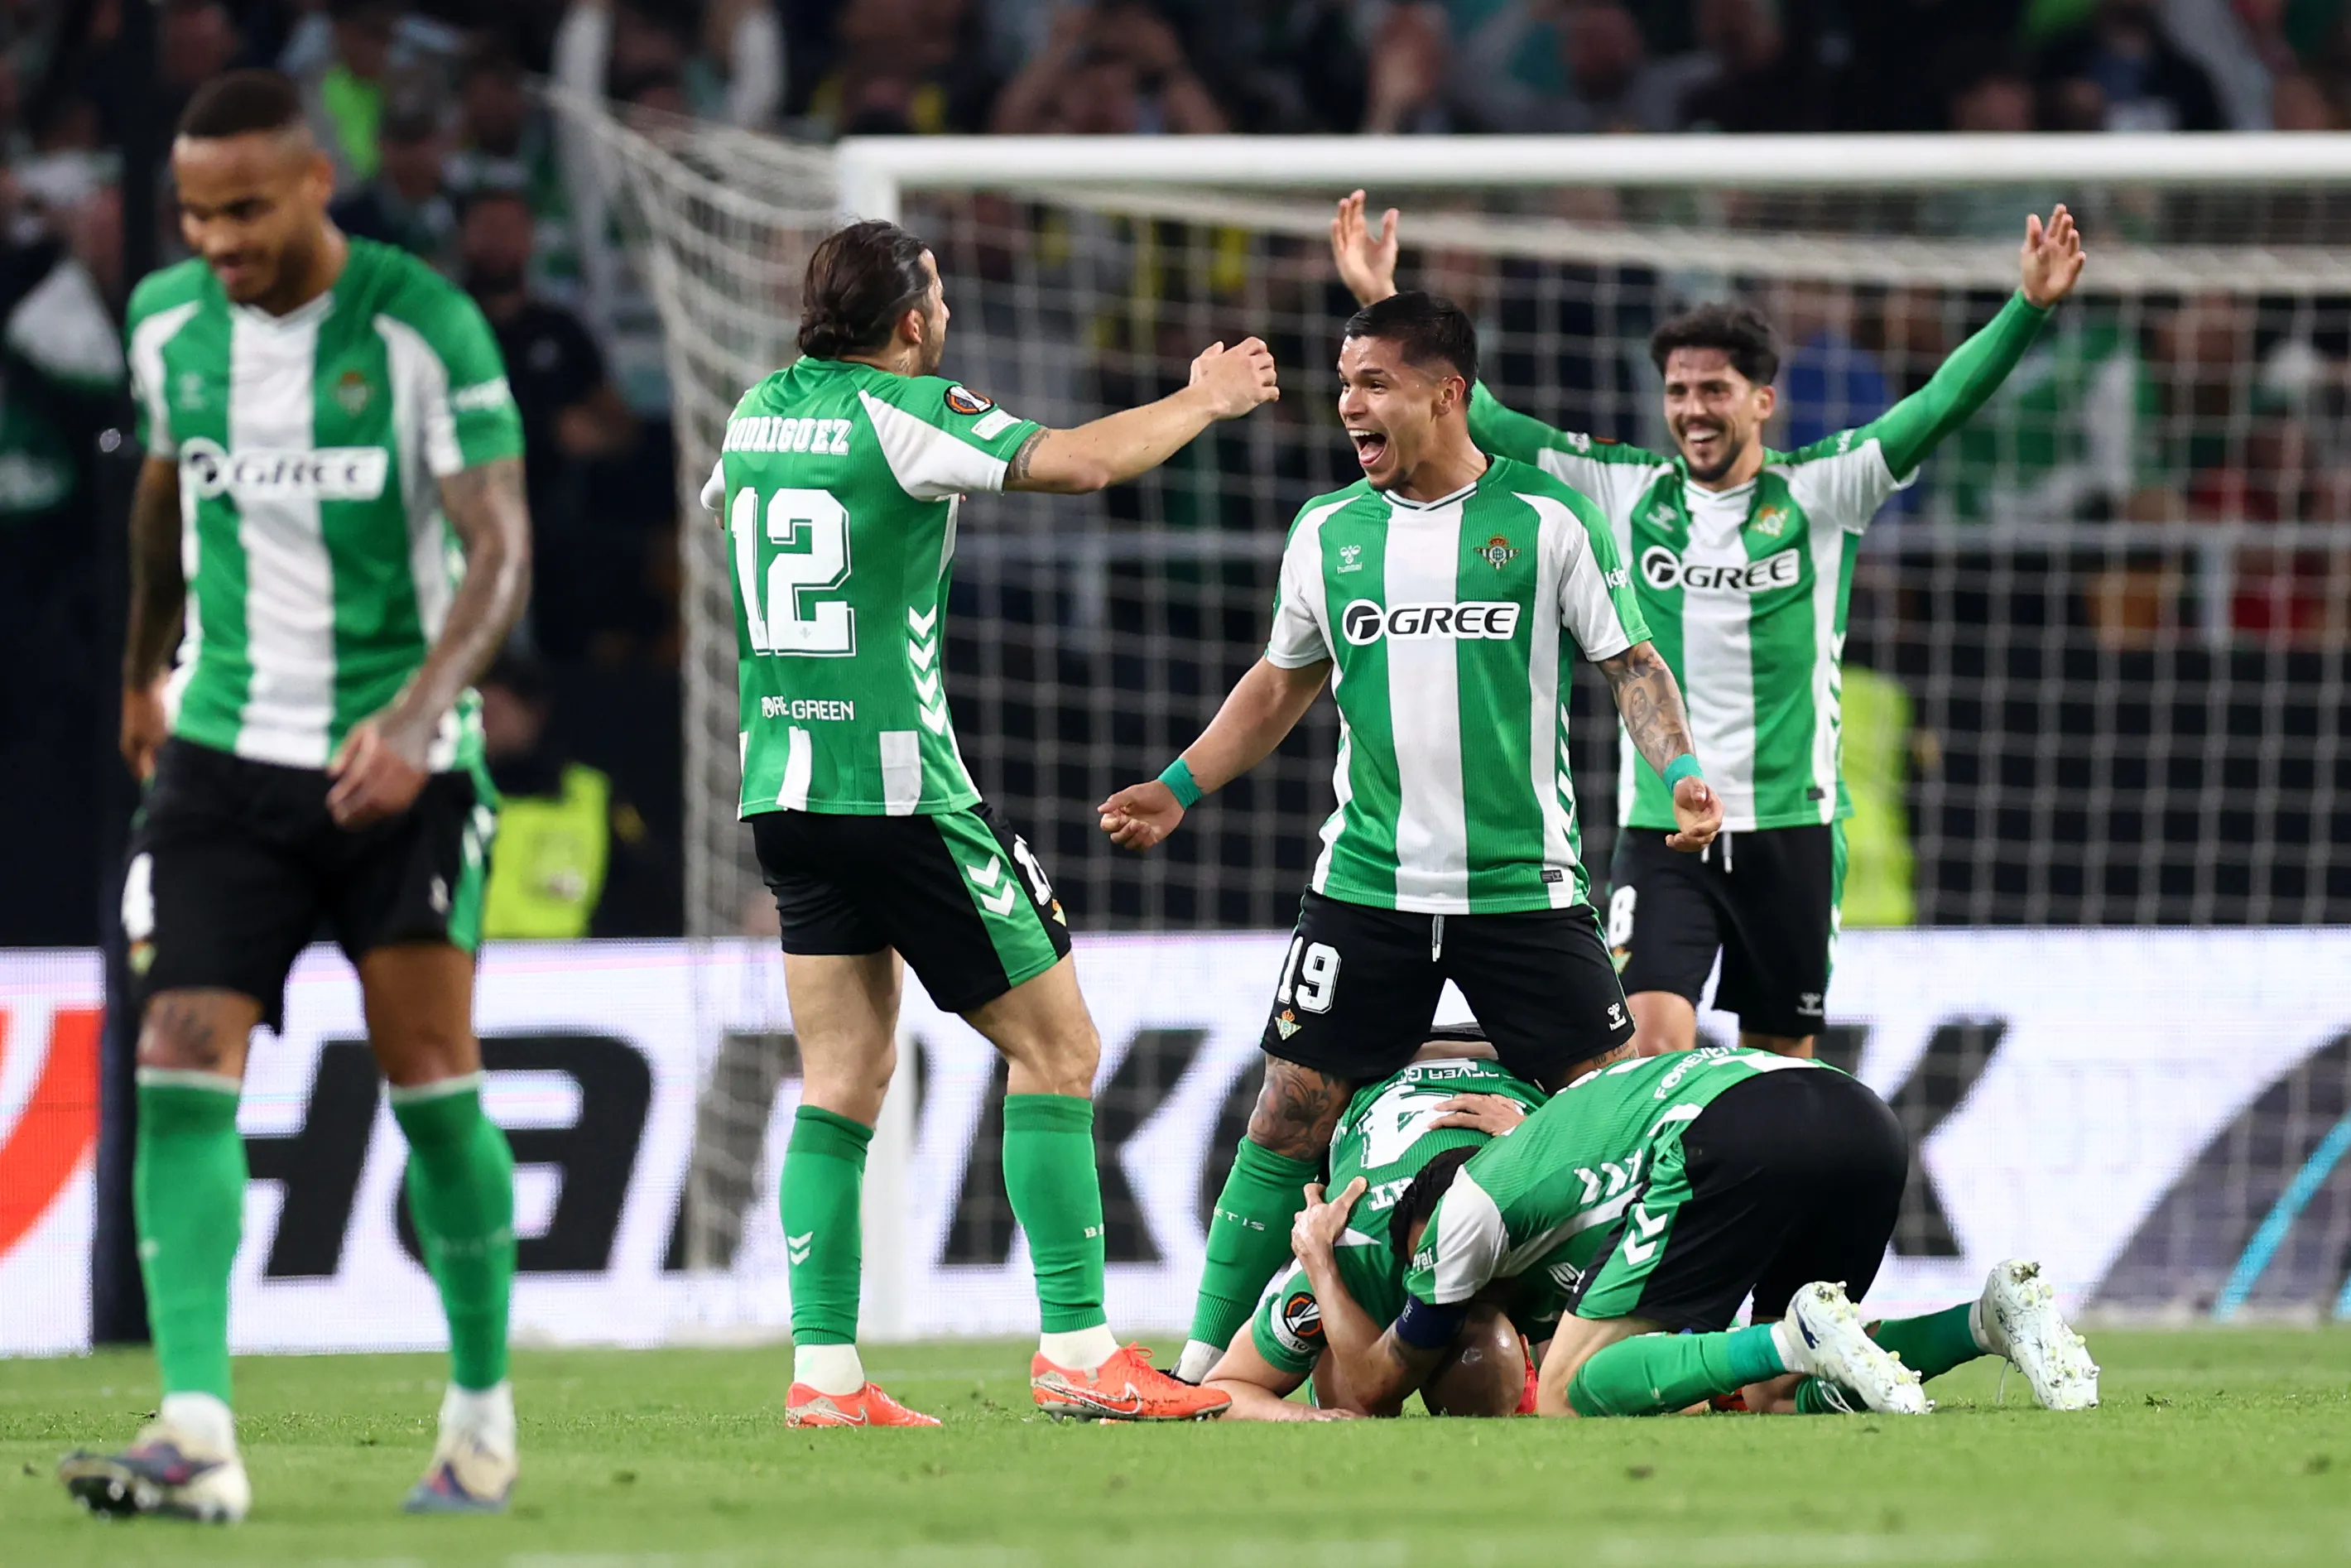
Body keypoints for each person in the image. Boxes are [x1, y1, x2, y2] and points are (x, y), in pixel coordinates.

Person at [700, 218, 1276, 1426]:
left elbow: (734, 511)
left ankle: (825, 1375)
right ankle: (1076, 1344)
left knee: (843, 1076)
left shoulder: (756, 414)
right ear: (908, 322)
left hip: (782, 789)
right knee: (1060, 1048)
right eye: (942, 300)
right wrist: (1202, 397)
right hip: (899, 787)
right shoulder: (908, 410)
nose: (950, 315)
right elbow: (1077, 462)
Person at [1092, 290, 1724, 1384]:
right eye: (1344, 384)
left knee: (1613, 1116)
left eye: (1373, 382)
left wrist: (1683, 774)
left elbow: (1631, 663)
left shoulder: (1545, 522)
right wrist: (1179, 784)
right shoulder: (1328, 532)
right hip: (1369, 883)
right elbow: (1280, 683)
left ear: (1448, 393)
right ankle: (1201, 1371)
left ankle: (1650, 1347)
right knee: (1290, 1108)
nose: (1348, 405)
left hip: (1522, 888)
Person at [59, 69, 531, 1521]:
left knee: (432, 1087)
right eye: (195, 213)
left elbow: (499, 551)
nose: (216, 238)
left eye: (244, 207)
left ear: (317, 182)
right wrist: (146, 668)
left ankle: (479, 1421)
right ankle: (198, 1430)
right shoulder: (163, 326)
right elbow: (162, 493)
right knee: (178, 1053)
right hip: (220, 751)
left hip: (399, 772)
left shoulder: (418, 324)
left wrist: (412, 717)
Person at [1331, 192, 2086, 1064]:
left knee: (1780, 1065)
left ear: (1761, 401)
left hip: (1791, 828)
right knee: (1647, 1050)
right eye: (1678, 390)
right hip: (1663, 828)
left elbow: (1939, 404)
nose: (1692, 408)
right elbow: (1481, 415)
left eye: (1714, 390)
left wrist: (2026, 306)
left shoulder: (1823, 491)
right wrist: (1387, 300)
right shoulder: (1623, 487)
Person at [1296, 1046, 2102, 1421]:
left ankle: (1793, 1339)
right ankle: (1987, 1317)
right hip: (1860, 1118)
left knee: (1572, 1393)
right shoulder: (1548, 1151)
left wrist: (1321, 1268)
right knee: (1781, 1396)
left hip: (1732, 1133)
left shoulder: (1457, 1216)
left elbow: (1371, 1388)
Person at [1205, 1028, 1547, 1421]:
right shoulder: (1347, 1244)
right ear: (1403, 1247)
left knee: (1496, 1386)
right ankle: (1195, 1359)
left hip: (1504, 1054)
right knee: (1352, 1405)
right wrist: (1306, 1419)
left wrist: (1533, 1135)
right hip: (1396, 1057)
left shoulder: (1552, 1221)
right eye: (1430, 1267)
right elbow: (1225, 1388)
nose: (1441, 1283)